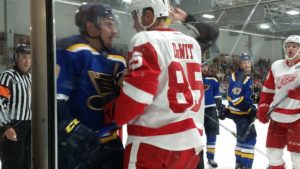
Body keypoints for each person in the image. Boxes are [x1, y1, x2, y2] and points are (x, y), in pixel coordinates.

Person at [105, 0, 205, 168]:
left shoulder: (145, 39)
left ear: (149, 15)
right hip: (191, 143)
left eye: (135, 16)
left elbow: (138, 96)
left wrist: (111, 115)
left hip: (153, 143)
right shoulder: (192, 43)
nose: (135, 24)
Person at [56, 2, 126, 169]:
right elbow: (54, 103)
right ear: (91, 27)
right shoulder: (72, 51)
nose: (114, 31)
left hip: (110, 142)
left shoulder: (117, 59)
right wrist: (75, 132)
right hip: (76, 147)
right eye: (109, 24)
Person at [257, 35, 300, 169]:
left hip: (297, 119)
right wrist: (263, 107)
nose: (290, 49)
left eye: (294, 46)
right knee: (273, 154)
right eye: (287, 46)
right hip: (277, 117)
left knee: (297, 158)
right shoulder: (276, 65)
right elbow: (268, 89)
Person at [0, 44, 32, 169]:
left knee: (27, 163)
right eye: (24, 57)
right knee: (13, 164)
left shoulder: (30, 77)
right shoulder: (8, 76)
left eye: (30, 57)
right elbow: (0, 102)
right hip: (13, 126)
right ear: (16, 58)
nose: (27, 61)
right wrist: (6, 127)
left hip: (28, 127)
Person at [225, 53, 257, 169]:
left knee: (241, 140)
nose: (247, 64)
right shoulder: (240, 77)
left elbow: (246, 96)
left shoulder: (241, 75)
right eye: (244, 62)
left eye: (248, 62)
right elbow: (235, 98)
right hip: (243, 115)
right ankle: (245, 166)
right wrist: (249, 109)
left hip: (239, 115)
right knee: (249, 140)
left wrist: (255, 100)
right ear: (240, 64)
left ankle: (239, 165)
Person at [201, 61, 224, 169]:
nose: (204, 68)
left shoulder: (213, 79)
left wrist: (219, 106)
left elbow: (217, 94)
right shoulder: (193, 76)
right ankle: (196, 160)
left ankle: (210, 158)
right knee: (195, 136)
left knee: (212, 135)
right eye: (202, 66)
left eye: (205, 65)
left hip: (210, 109)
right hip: (197, 111)